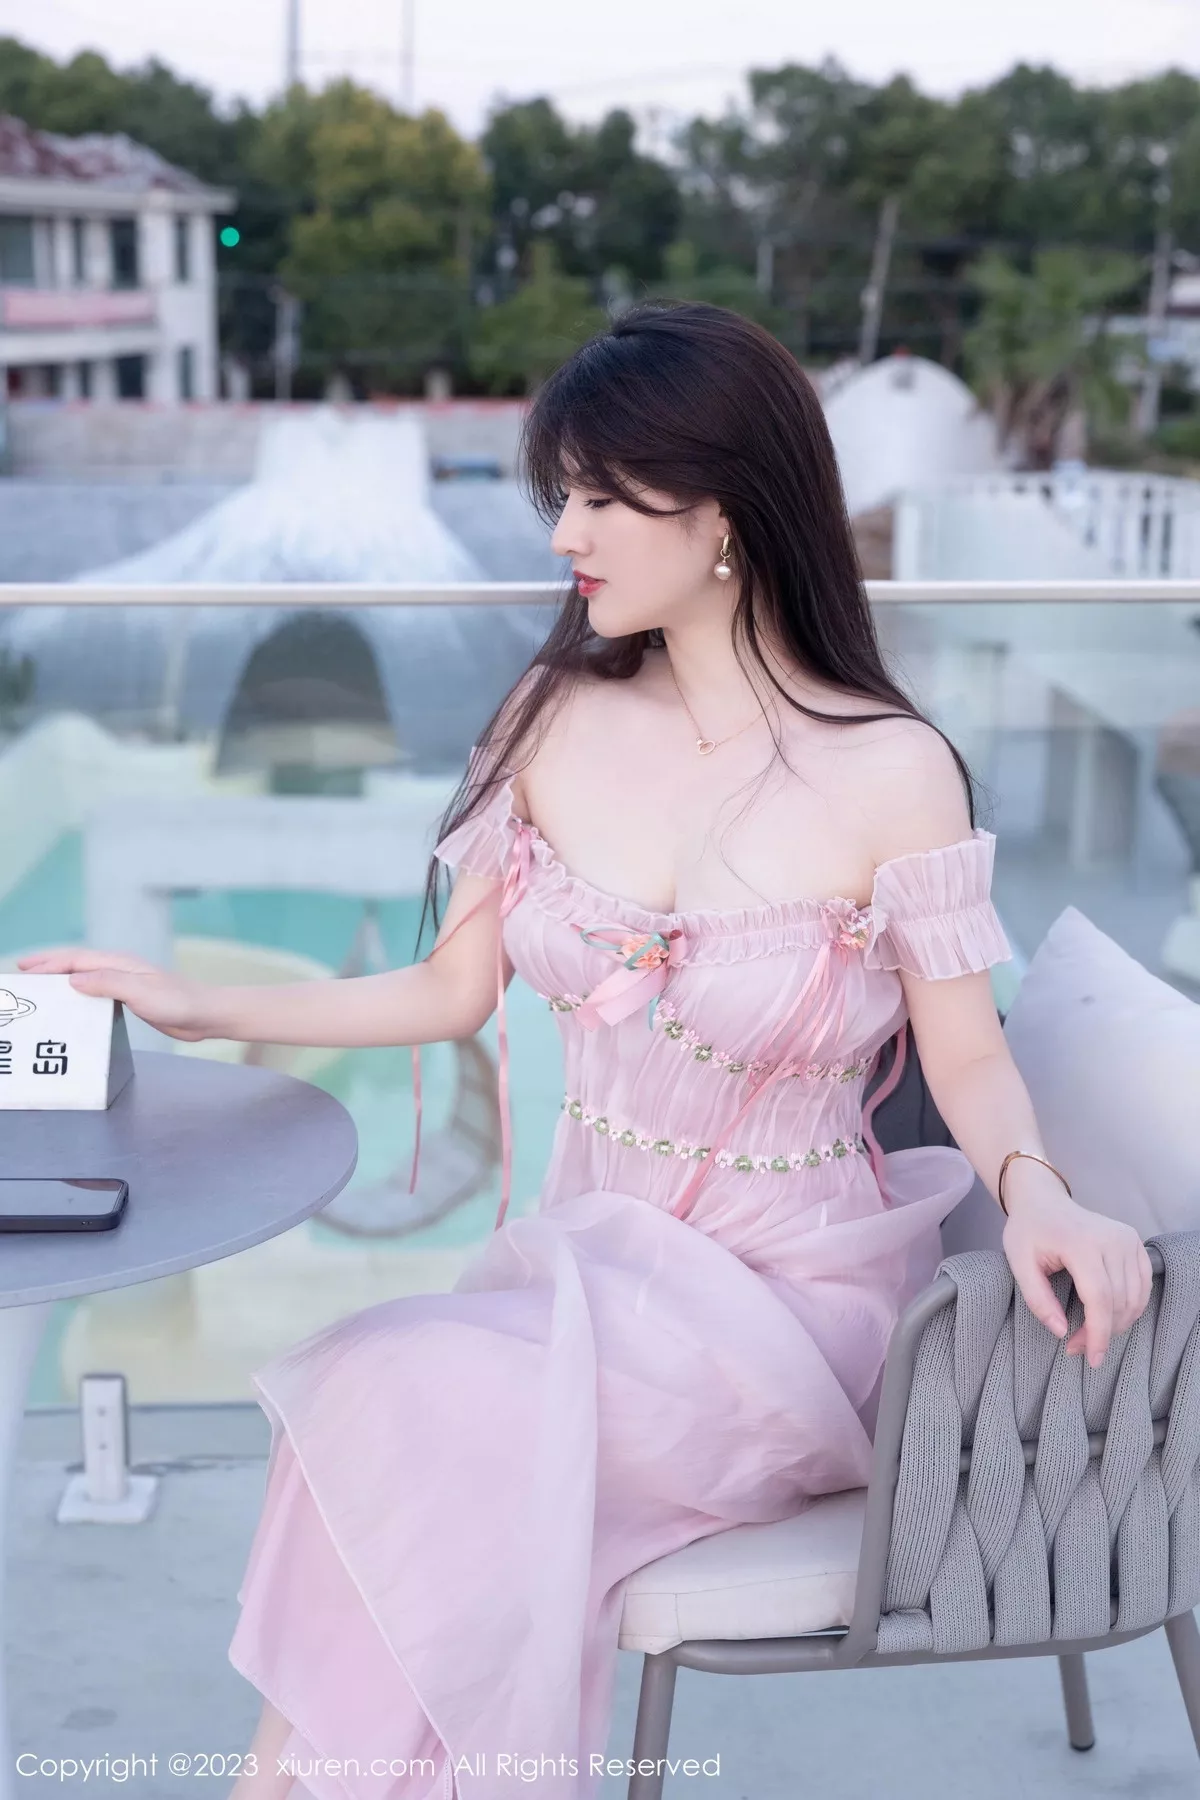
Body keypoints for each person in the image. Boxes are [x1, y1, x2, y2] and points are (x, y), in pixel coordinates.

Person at [19, 301, 1152, 1800]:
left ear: (728, 511)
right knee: (392, 1402)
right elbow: (449, 992)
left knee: (404, 1406)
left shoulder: (894, 770)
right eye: (563, 491)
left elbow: (972, 1058)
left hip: (792, 1300)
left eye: (608, 496)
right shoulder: (550, 715)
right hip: (585, 1269)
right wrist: (201, 1004)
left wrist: (1039, 1192)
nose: (567, 532)